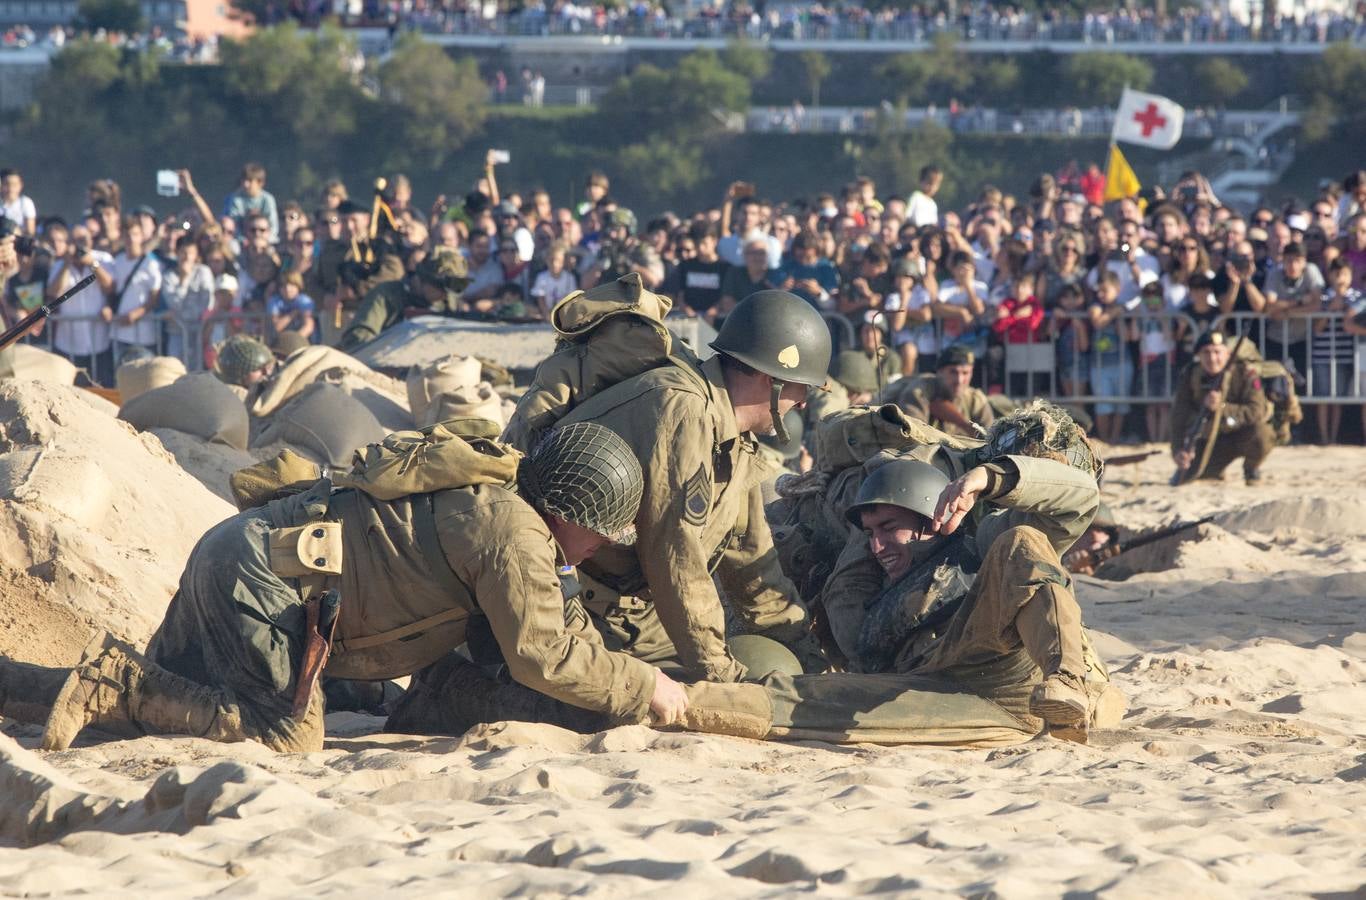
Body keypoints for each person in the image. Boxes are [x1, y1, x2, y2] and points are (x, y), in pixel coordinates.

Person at [34, 423, 695, 752]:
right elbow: (543, 654)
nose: (602, 549)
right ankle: (114, 680)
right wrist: (645, 685)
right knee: (282, 738)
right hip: (262, 584)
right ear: (571, 518)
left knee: (131, 734)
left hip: (249, 556)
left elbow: (535, 629)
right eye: (602, 535)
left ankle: (26, 686)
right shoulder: (511, 535)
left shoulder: (507, 496)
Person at [671, 439, 1123, 747]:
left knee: (1023, 543)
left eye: (890, 528)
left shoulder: (979, 547)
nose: (877, 546)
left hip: (1018, 683)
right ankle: (664, 701)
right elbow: (852, 639)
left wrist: (987, 479)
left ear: (936, 521)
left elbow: (1079, 502)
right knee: (795, 699)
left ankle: (1068, 682)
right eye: (869, 533)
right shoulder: (858, 588)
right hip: (938, 696)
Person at [501, 289, 833, 686]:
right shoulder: (683, 409)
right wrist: (719, 676)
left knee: (764, 673)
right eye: (803, 387)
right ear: (771, 379)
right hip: (570, 603)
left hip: (638, 616)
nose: (803, 402)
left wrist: (811, 661)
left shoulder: (735, 440)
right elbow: (676, 556)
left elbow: (753, 564)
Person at [1170, 331, 1275, 485]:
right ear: (1198, 355)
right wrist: (1178, 450)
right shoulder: (1191, 375)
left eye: (1217, 352)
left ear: (1228, 354)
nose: (1212, 359)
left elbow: (1256, 410)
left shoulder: (1245, 373)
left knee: (1263, 433)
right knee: (1189, 477)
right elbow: (1179, 416)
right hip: (1208, 441)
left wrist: (1222, 408)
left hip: (1240, 435)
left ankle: (1251, 468)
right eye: (1206, 353)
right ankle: (1215, 469)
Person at [339, 251, 469, 351]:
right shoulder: (387, 295)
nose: (446, 296)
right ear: (423, 280)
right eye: (442, 290)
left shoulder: (447, 302)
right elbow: (358, 338)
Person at [878, 345, 994, 438]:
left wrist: (966, 425)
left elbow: (992, 440)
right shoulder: (920, 390)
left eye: (965, 373)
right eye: (953, 372)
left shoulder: (975, 399)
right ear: (939, 372)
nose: (959, 380)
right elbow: (911, 435)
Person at [223, 162, 280, 244]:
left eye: (250, 181)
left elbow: (273, 226)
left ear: (260, 183)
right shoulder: (235, 199)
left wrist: (265, 241)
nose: (245, 184)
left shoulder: (268, 199)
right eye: (244, 180)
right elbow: (234, 224)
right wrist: (243, 240)